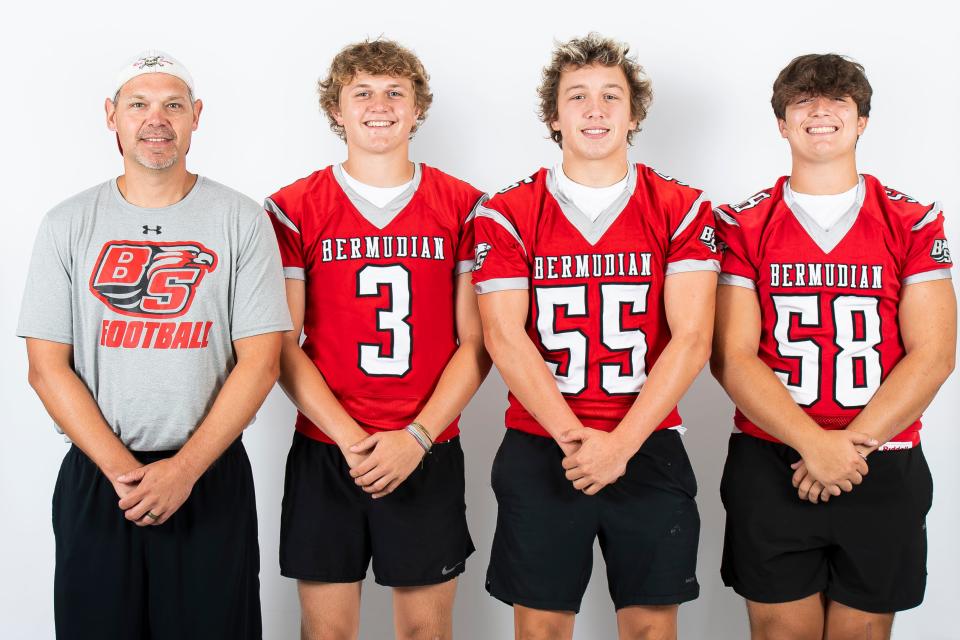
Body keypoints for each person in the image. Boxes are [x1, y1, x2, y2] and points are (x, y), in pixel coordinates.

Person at [17, 50, 291, 639]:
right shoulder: (67, 223)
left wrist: (184, 470)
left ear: (196, 116)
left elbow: (262, 360)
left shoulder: (240, 219)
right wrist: (124, 474)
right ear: (111, 116)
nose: (155, 119)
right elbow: (46, 368)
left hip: (209, 473)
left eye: (172, 105)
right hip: (100, 477)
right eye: (138, 105)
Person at [472, 33, 719, 640]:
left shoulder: (682, 207)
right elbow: (504, 337)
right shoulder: (506, 211)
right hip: (542, 442)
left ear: (634, 113)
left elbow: (692, 339)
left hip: (649, 438)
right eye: (576, 96)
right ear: (553, 117)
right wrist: (576, 441)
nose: (595, 109)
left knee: (650, 628)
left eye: (612, 96)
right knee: (543, 629)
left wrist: (621, 444)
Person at [711, 53, 956, 640]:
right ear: (781, 123)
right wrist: (811, 444)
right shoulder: (741, 223)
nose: (820, 111)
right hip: (772, 458)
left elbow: (934, 353)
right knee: (780, 634)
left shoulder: (913, 219)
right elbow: (731, 355)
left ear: (863, 120)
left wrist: (849, 447)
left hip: (884, 456)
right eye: (802, 101)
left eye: (838, 100)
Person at [264, 38, 490, 640]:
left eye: (396, 92)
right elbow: (282, 344)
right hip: (327, 446)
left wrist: (415, 438)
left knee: (425, 631)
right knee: (326, 632)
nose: (379, 105)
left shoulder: (464, 205)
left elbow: (478, 343)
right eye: (361, 92)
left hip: (427, 444)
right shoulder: (294, 207)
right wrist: (351, 439)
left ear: (418, 109)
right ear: (336, 110)